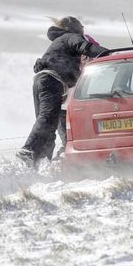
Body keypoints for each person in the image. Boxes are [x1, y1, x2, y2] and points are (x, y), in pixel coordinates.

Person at [17, 17, 107, 168]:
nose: (84, 29)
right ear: (76, 28)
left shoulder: (59, 40)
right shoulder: (70, 37)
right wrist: (109, 54)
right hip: (51, 81)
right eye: (82, 26)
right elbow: (86, 47)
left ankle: (40, 163)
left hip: (43, 81)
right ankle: (29, 151)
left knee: (49, 123)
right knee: (48, 117)